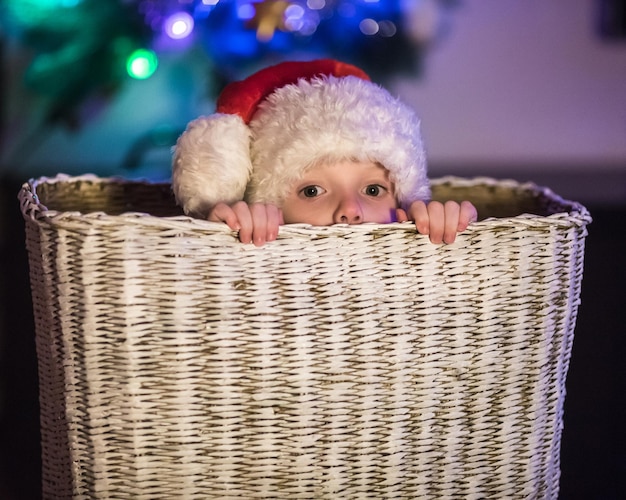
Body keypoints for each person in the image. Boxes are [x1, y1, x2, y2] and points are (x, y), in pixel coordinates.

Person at [172, 59, 477, 247]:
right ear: (268, 205)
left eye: (373, 189)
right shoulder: (259, 228)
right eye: (312, 190)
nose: (350, 209)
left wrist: (441, 223)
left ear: (402, 204)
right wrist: (234, 229)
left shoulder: (406, 223)